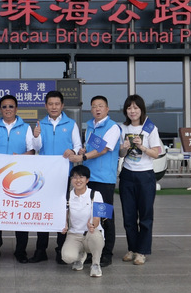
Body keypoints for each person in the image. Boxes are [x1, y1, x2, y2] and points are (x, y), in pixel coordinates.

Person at [68, 95, 121, 267]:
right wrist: (83, 151)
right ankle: (92, 251)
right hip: (89, 179)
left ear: (107, 109)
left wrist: (82, 157)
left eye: (100, 106)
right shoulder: (90, 126)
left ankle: (106, 253)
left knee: (104, 216)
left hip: (104, 180)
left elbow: (103, 149)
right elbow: (91, 148)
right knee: (91, 215)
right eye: (94, 106)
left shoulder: (113, 127)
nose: (97, 109)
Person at [31, 90, 82, 264]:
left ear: (62, 106)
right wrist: (36, 135)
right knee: (43, 210)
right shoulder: (40, 124)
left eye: (57, 104)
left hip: (64, 174)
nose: (54, 107)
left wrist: (72, 150)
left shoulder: (71, 124)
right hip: (45, 176)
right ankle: (40, 250)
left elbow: (78, 146)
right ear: (46, 106)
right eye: (50, 104)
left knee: (62, 211)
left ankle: (61, 249)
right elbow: (37, 147)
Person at [0, 94, 35, 264]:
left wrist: (20, 157)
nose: (8, 109)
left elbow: (32, 151)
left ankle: (21, 251)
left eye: (11, 106)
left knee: (19, 215)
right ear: (0, 109)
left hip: (19, 178)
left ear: (16, 109)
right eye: (4, 107)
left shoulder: (26, 128)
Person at [118, 94, 162, 266]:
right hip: (127, 174)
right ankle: (132, 248)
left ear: (141, 109)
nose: (132, 111)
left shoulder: (150, 128)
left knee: (145, 215)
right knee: (128, 215)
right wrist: (124, 148)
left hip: (145, 175)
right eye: (129, 108)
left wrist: (142, 147)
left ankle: (142, 251)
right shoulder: (122, 128)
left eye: (136, 108)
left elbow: (156, 153)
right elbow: (120, 154)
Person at [61, 165, 104, 277]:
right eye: (75, 177)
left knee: (96, 236)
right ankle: (80, 256)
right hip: (74, 234)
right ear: (71, 180)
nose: (78, 180)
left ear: (87, 180)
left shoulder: (96, 194)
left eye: (81, 177)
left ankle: (96, 264)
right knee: (67, 257)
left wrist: (92, 225)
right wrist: (64, 225)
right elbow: (65, 216)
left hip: (91, 233)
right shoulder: (67, 196)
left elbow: (97, 218)